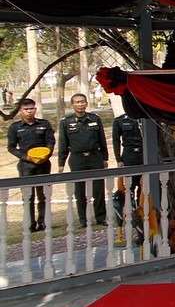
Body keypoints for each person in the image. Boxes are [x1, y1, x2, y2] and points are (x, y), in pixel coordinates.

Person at [58, 93, 109, 227]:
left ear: (86, 103)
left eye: (82, 102)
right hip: (77, 159)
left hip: (95, 157)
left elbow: (102, 140)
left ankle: (100, 218)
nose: (80, 104)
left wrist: (105, 158)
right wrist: (61, 163)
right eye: (77, 102)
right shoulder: (66, 122)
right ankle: (83, 219)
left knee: (98, 190)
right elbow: (63, 143)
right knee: (79, 191)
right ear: (72, 105)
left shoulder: (95, 119)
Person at [6, 98, 55, 232]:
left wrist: (46, 154)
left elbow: (50, 141)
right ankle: (30, 223)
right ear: (20, 111)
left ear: (35, 109)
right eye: (26, 109)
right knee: (28, 196)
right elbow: (11, 147)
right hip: (26, 166)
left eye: (32, 108)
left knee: (43, 195)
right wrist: (25, 157)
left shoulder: (44, 124)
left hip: (43, 164)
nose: (29, 111)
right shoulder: (15, 127)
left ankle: (43, 221)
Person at [112, 113, 144, 205]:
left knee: (144, 186)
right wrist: (118, 159)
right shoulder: (120, 120)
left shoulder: (145, 118)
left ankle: (141, 209)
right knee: (129, 186)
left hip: (143, 154)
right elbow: (116, 140)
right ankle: (130, 208)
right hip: (129, 155)